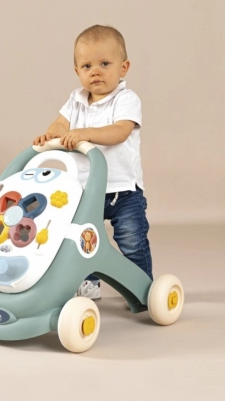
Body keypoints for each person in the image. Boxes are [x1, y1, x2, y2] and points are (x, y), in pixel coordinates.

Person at [33, 25, 153, 301]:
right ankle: (88, 284)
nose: (95, 71)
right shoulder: (75, 100)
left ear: (123, 68)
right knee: (83, 239)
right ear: (77, 71)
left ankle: (141, 287)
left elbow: (119, 132)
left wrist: (85, 134)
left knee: (132, 241)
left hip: (123, 190)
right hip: (86, 191)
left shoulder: (126, 99)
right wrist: (51, 134)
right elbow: (60, 124)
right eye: (87, 66)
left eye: (104, 64)